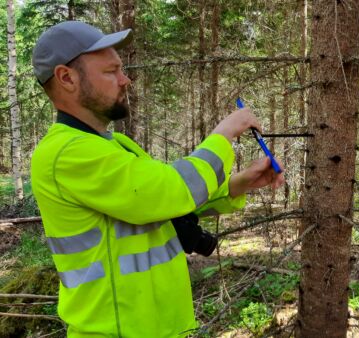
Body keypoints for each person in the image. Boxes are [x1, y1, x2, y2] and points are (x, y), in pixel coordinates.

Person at [30, 21, 284, 337]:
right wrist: (225, 134)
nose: (125, 80)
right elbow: (171, 191)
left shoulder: (113, 144)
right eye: (111, 72)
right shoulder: (66, 153)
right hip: (115, 331)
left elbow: (162, 206)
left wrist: (238, 183)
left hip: (153, 326)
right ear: (66, 78)